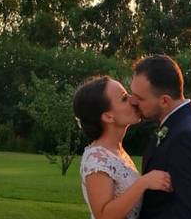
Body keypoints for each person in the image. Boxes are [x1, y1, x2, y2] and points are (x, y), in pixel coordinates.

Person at [74, 75, 173, 219]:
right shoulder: (97, 159)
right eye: (124, 98)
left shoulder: (116, 151)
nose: (133, 100)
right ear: (108, 117)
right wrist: (143, 183)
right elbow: (103, 215)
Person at [130, 55, 191, 219]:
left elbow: (188, 212)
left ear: (164, 101)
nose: (132, 101)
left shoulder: (187, 136)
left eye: (140, 98)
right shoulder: (181, 123)